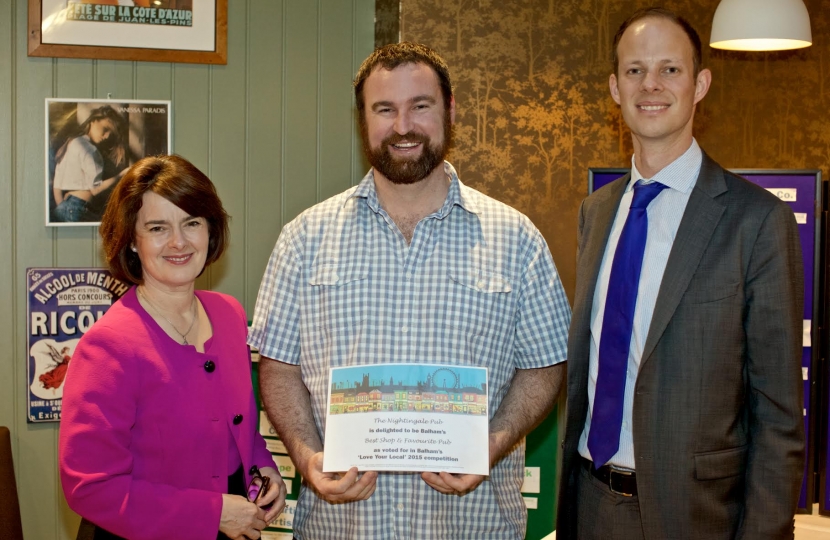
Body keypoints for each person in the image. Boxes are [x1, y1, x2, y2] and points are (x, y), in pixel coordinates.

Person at [248, 42, 571, 539]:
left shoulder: (517, 239)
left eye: (420, 106)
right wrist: (308, 458)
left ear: (450, 110)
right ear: (364, 119)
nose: (403, 126)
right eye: (385, 109)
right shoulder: (304, 239)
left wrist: (491, 442)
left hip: (473, 527)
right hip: (342, 528)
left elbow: (544, 364)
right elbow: (279, 366)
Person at [556, 7, 805, 539]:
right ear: (615, 88)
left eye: (670, 69)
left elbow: (779, 416)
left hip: (698, 516)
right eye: (634, 70)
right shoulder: (596, 213)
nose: (651, 84)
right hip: (590, 504)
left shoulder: (757, 220)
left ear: (700, 85)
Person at [59, 154, 286, 540]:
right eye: (158, 227)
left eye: (191, 223)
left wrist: (262, 465)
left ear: (210, 230)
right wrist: (212, 514)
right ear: (132, 240)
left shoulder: (229, 315)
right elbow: (90, 488)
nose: (179, 242)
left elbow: (238, 424)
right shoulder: (108, 347)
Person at [52, 105, 128, 223]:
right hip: (79, 208)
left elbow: (57, 184)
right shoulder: (89, 149)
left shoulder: (71, 142)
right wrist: (121, 175)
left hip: (64, 208)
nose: (107, 136)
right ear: (93, 121)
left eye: (110, 133)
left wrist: (63, 207)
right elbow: (95, 189)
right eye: (105, 129)